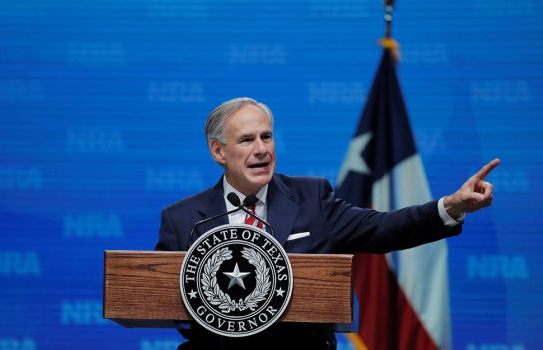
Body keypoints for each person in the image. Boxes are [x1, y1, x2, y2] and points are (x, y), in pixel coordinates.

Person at [155, 97, 499, 350]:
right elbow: (156, 299)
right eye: (247, 140)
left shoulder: (311, 198)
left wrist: (451, 205)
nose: (262, 149)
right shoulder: (183, 218)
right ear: (218, 151)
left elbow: (384, 227)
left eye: (267, 137)